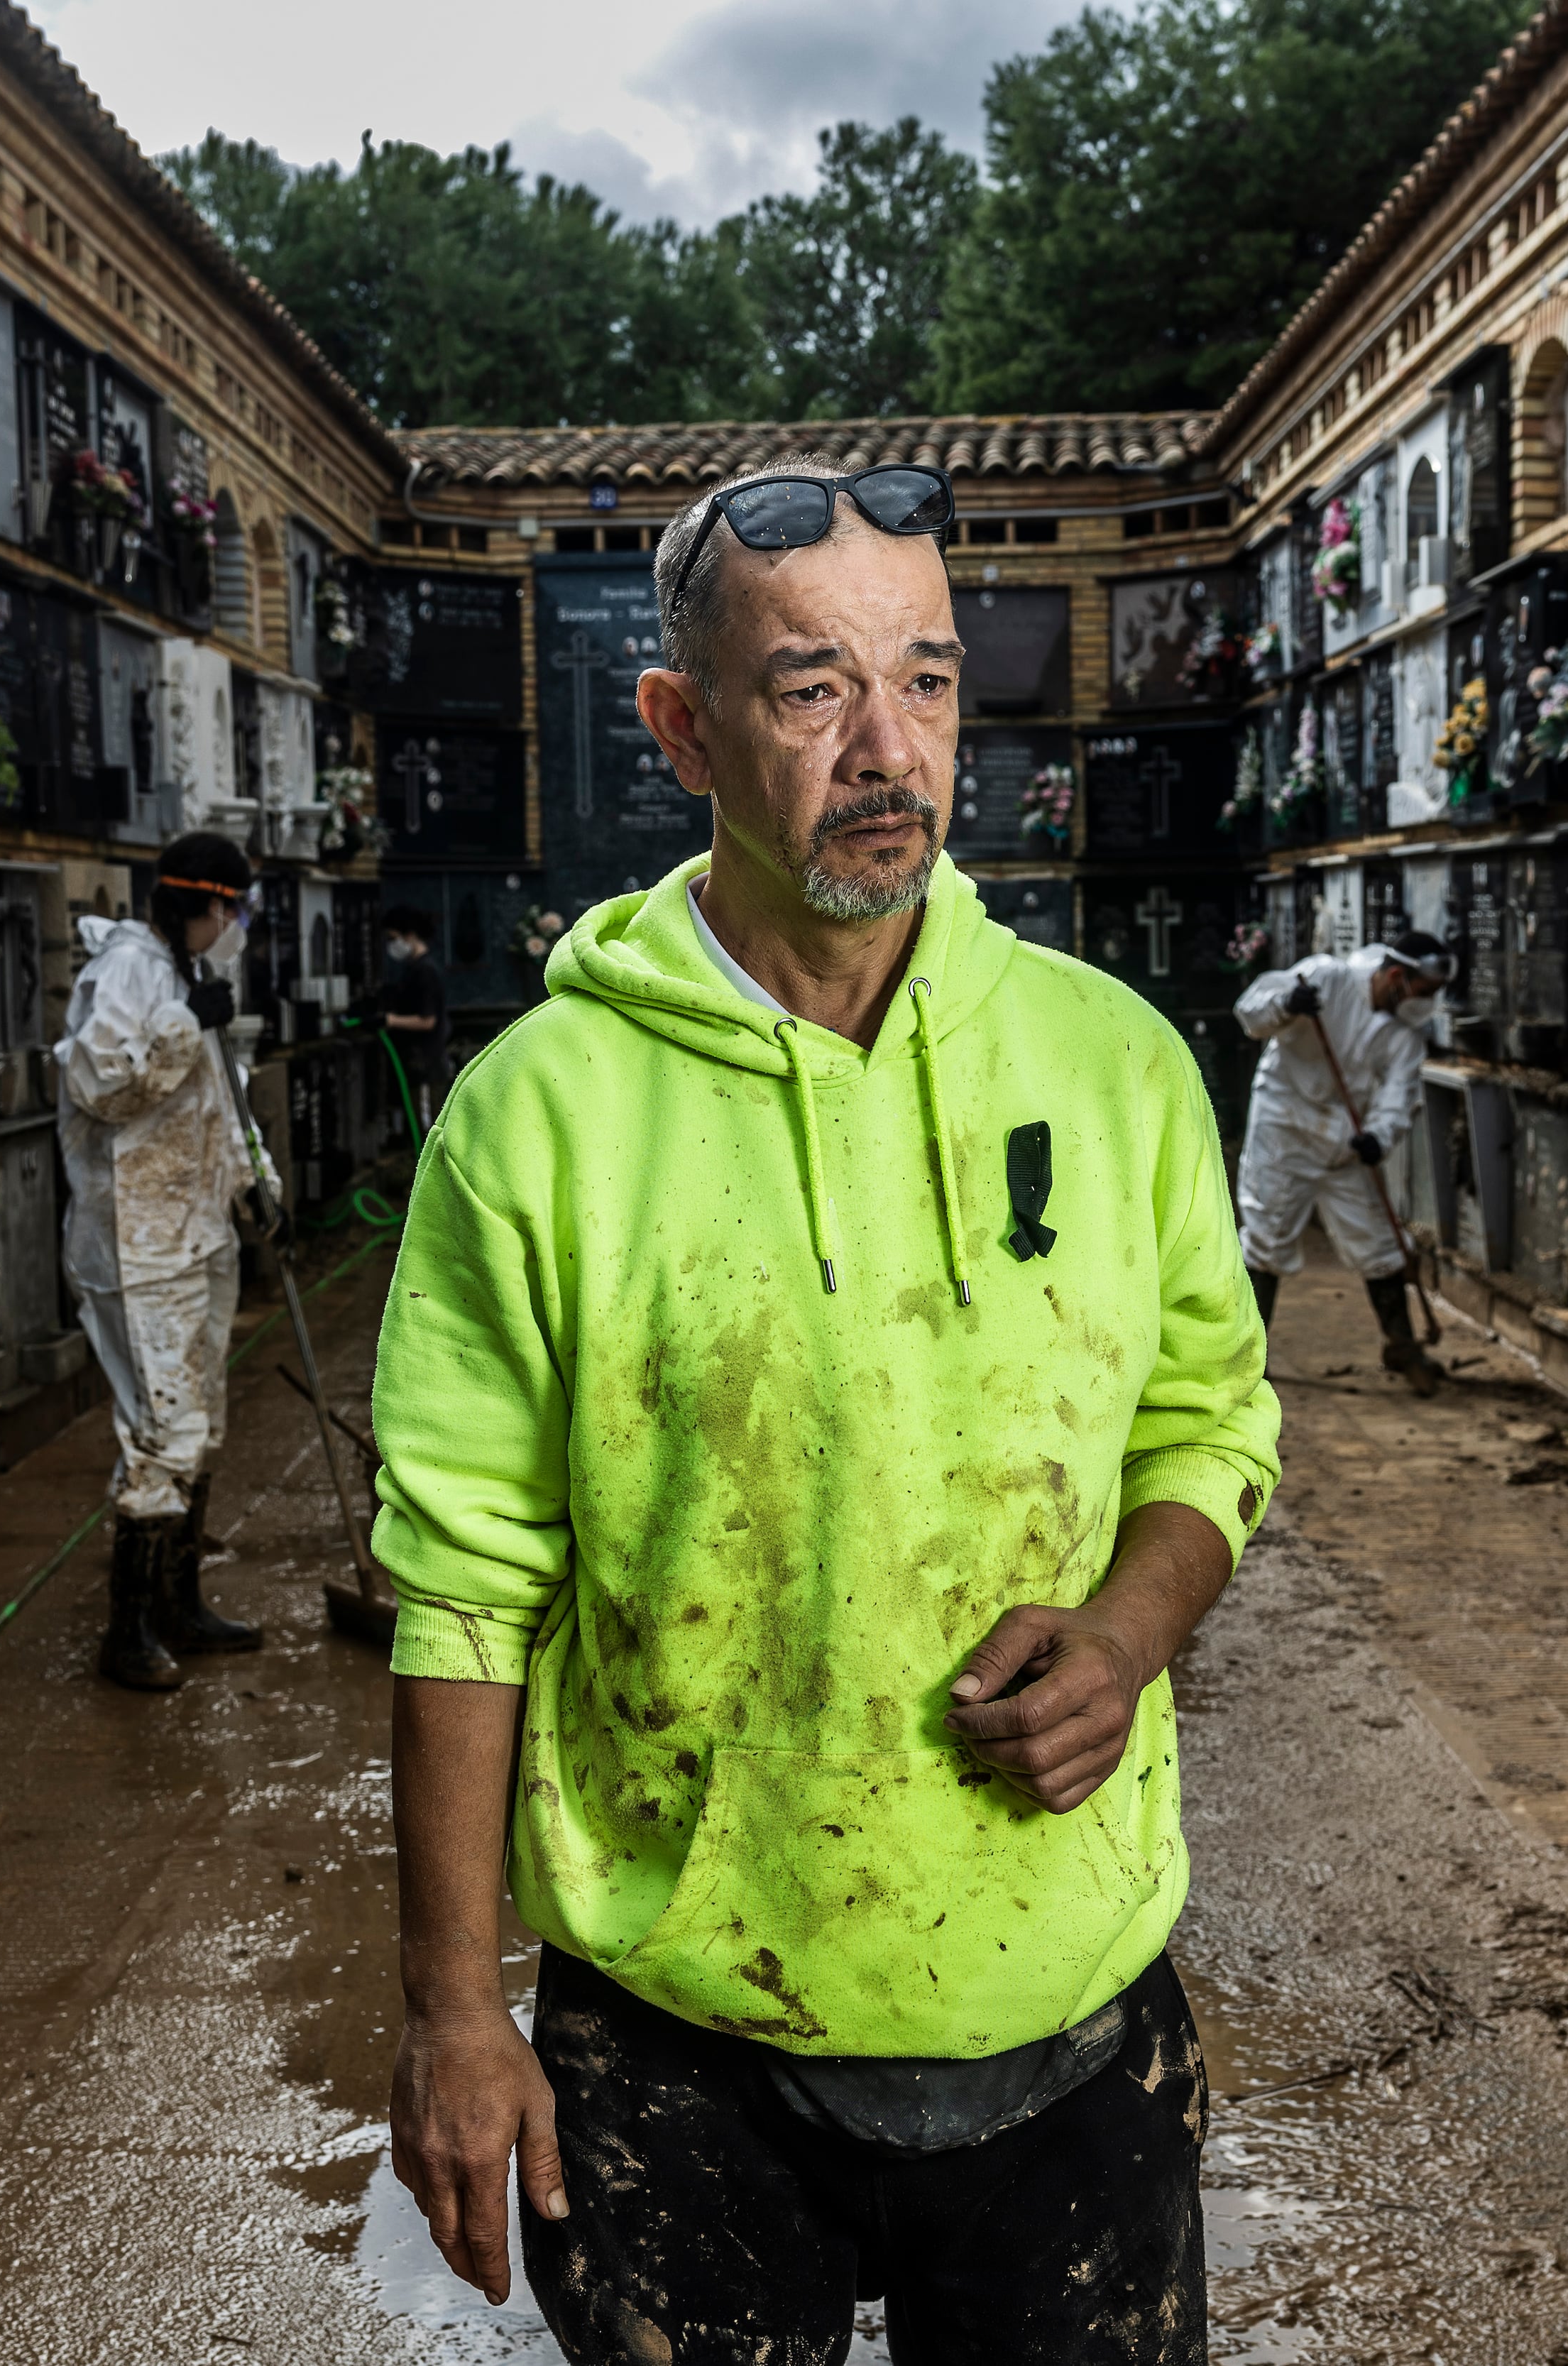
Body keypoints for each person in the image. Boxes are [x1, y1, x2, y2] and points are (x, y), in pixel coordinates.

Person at [371, 455, 1279, 2364]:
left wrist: (1128, 1630)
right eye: (812, 689)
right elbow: (462, 1575)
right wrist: (458, 2002)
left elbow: (1212, 1420)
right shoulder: (543, 1117)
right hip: (683, 2031)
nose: (890, 748)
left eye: (930, 680)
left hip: (1065, 1991)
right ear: (682, 727)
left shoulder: (1113, 1068)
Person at [56, 832, 279, 1688]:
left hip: (198, 1231)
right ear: (196, 904)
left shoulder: (190, 977)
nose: (231, 925)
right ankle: (128, 1631)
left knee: (201, 1425)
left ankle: (179, 1606)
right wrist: (190, 1028)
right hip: (137, 1240)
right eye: (227, 908)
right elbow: (102, 1087)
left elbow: (222, 1101)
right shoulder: (125, 972)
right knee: (162, 1428)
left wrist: (259, 1184)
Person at [1232, 927, 1455, 1395]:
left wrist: (1379, 1136)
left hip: (1346, 1146)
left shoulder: (1403, 1035)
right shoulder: (1326, 978)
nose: (1427, 1003)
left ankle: (1401, 1343)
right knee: (1267, 1239)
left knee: (1380, 1244)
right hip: (1285, 1129)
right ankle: (1246, 1357)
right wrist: (1287, 1005)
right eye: (1425, 991)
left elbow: (1398, 1095)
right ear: (1396, 975)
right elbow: (1250, 1012)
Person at [373, 904, 450, 1138]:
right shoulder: (413, 969)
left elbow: (428, 1021)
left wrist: (391, 1020)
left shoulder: (425, 971)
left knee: (428, 1133)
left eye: (393, 938)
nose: (391, 945)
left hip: (426, 1065)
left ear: (409, 934)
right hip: (417, 1064)